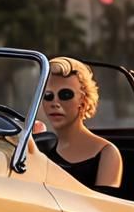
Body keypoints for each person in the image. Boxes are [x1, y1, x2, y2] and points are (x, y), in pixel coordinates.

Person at [37, 56, 122, 190]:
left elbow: (105, 208)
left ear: (83, 100)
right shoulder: (42, 148)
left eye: (65, 95)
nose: (55, 103)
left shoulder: (107, 153)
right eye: (48, 96)